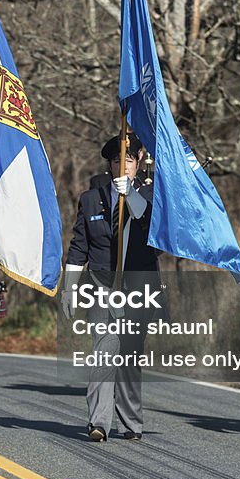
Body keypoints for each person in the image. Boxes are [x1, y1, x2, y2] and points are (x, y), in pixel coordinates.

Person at [62, 134, 157, 442]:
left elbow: (151, 226)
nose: (122, 166)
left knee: (129, 357)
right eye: (117, 160)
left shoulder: (153, 193)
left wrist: (131, 196)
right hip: (102, 285)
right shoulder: (92, 198)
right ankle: (98, 422)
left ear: (139, 161)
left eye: (128, 160)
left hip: (137, 286)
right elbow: (79, 246)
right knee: (106, 350)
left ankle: (131, 423)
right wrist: (69, 287)